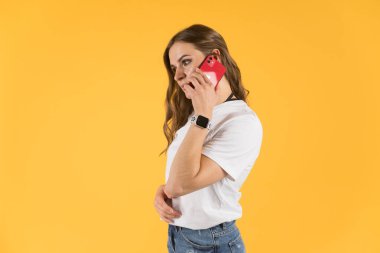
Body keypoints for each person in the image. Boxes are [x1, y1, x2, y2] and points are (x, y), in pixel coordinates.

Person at [154, 24, 263, 253]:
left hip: (212, 243)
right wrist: (164, 193)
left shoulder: (242, 122)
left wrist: (204, 115)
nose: (178, 76)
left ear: (213, 59)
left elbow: (180, 184)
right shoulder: (196, 115)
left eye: (185, 62)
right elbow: (180, 180)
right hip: (179, 237)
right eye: (174, 68)